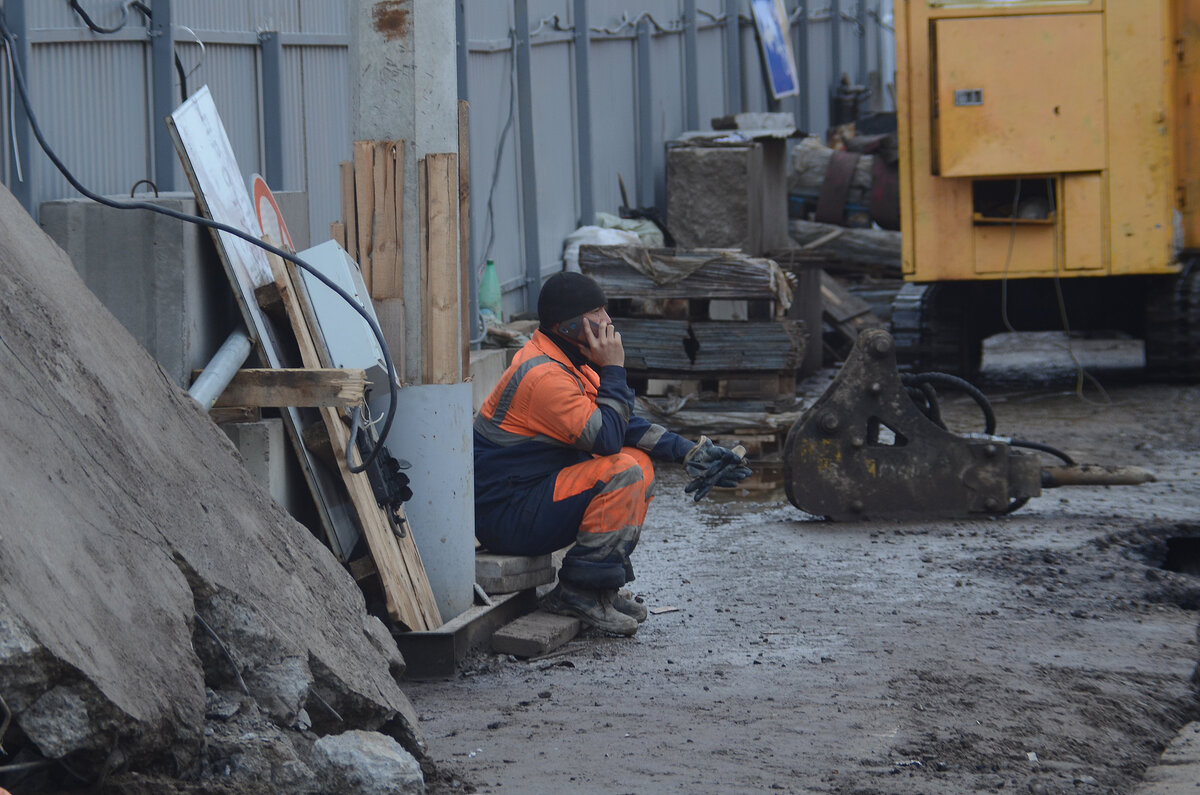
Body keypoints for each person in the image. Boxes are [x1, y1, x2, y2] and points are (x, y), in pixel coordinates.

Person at [473, 272, 751, 635]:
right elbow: (606, 437)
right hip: (508, 517)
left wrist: (688, 452)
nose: (608, 323)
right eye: (597, 313)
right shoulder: (545, 377)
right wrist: (615, 368)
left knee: (638, 464)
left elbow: (623, 423)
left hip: (532, 496)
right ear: (570, 326)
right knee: (621, 470)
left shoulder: (564, 359)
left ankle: (601, 586)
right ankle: (579, 592)